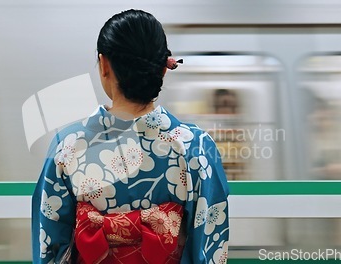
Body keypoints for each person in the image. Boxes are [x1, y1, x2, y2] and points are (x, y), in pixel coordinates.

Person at [32, 9, 229, 264]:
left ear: (104, 65)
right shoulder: (197, 147)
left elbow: (49, 246)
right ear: (163, 69)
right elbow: (211, 249)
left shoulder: (68, 146)